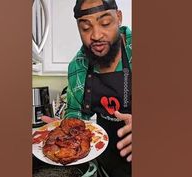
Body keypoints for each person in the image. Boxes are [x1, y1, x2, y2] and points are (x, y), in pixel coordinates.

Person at [42, 0, 132, 176]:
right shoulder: (78, 66)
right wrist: (65, 130)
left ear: (119, 18)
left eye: (105, 23)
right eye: (85, 27)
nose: (96, 35)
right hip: (106, 161)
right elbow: (76, 111)